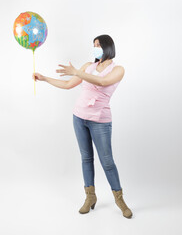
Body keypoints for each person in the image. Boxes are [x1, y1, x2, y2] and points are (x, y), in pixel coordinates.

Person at [32, 34, 133, 219]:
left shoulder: (118, 69)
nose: (96, 48)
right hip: (79, 117)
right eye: (94, 45)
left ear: (108, 47)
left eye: (99, 45)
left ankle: (120, 200)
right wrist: (45, 78)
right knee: (86, 158)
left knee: (107, 162)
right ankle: (90, 197)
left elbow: (102, 82)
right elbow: (68, 84)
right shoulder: (88, 66)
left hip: (100, 120)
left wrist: (77, 72)